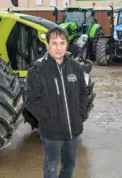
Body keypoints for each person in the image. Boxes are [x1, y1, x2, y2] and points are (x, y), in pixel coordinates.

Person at [25, 27, 89, 178]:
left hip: (73, 130)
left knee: (70, 164)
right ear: (47, 45)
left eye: (62, 43)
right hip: (51, 132)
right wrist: (48, 119)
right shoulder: (37, 70)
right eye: (54, 43)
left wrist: (80, 113)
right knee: (51, 165)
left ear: (67, 44)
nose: (58, 47)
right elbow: (31, 100)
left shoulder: (75, 66)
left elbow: (83, 91)